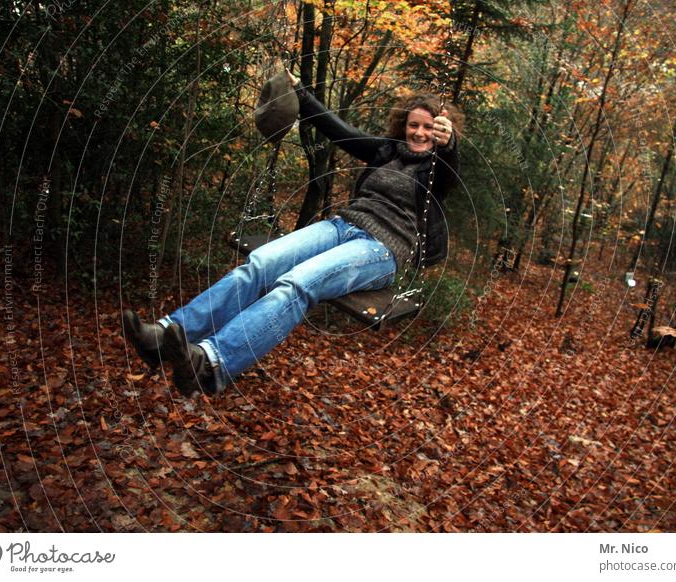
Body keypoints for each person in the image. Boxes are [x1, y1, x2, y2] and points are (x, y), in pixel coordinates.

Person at [123, 69, 462, 396]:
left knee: (297, 283)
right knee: (261, 263)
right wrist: (299, 92)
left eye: (429, 128)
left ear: (440, 131)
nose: (419, 132)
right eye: (413, 124)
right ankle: (164, 335)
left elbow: (449, 175)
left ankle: (211, 363)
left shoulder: (439, 167)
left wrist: (448, 147)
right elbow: (336, 128)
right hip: (342, 225)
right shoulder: (384, 150)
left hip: (381, 249)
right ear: (403, 126)